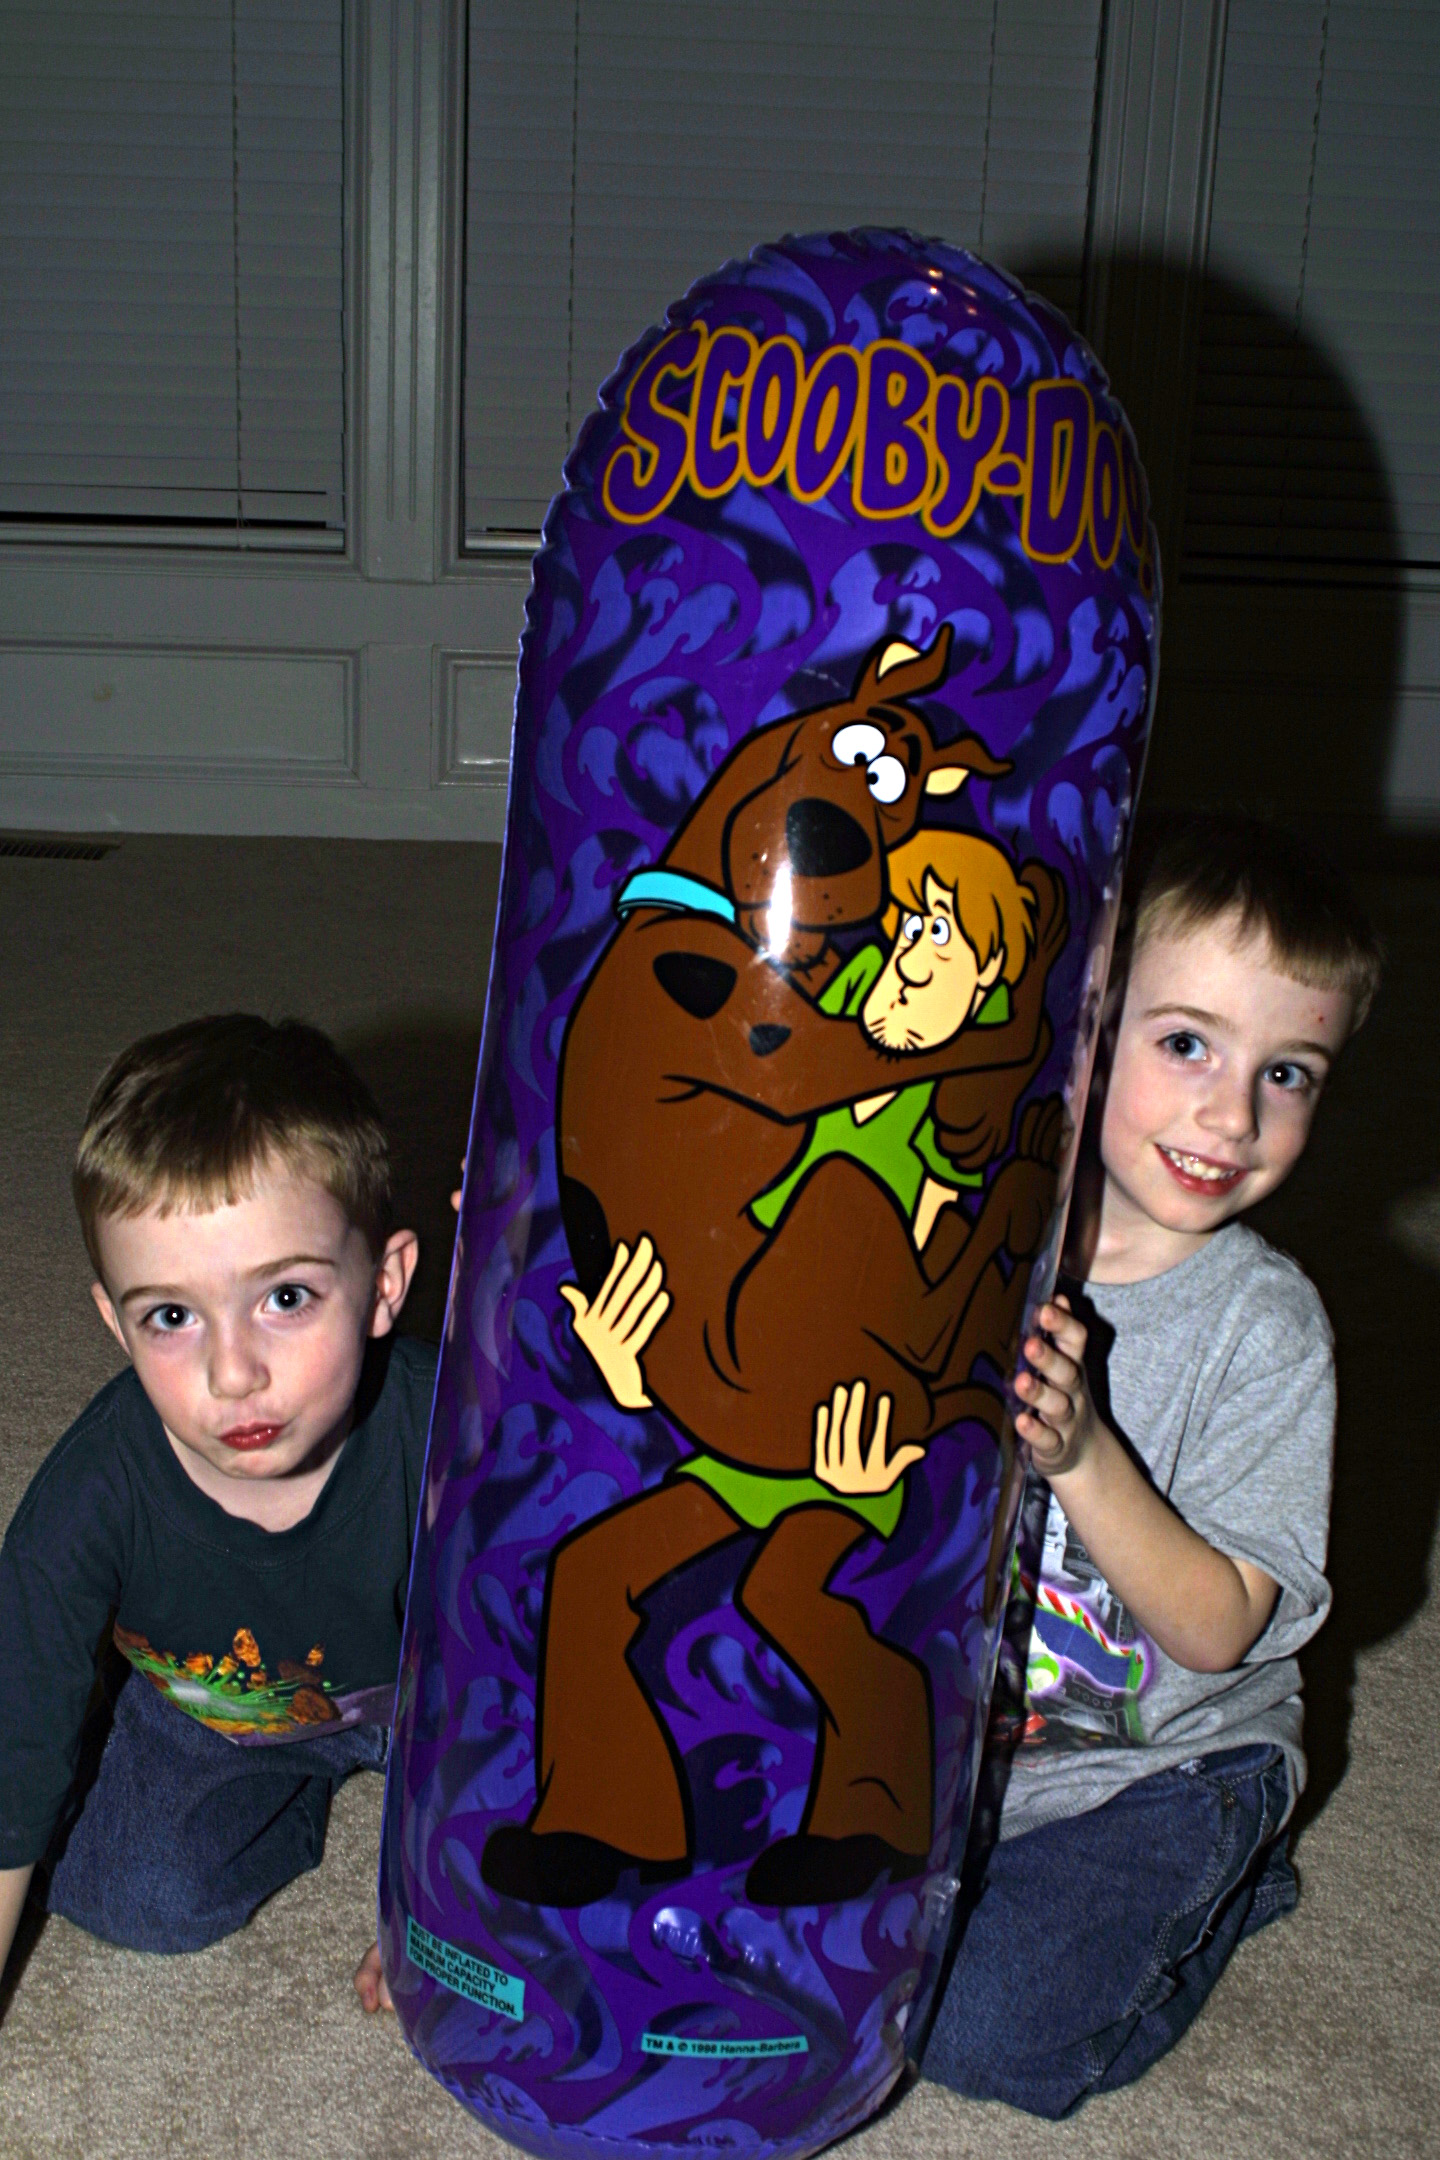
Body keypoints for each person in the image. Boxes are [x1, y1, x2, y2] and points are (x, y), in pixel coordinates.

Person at [916, 812, 1384, 2116]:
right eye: (1187, 1044)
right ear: (1082, 1026)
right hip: (967, 1747)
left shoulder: (1266, 1331)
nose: (1233, 1114)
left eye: (1288, 1072)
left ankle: (1232, 1881)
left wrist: (1083, 1455)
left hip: (1162, 1769)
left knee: (972, 2028)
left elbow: (1220, 1629)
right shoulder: (970, 1225)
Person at [0, 1015, 430, 2004]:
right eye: (171, 1316)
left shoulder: (454, 1429)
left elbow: (543, 1648)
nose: (233, 1373)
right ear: (115, 1325)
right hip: (226, 1713)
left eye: (285, 1298)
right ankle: (285, 1798)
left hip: (446, 1701)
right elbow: (11, 1758)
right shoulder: (97, 1490)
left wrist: (443, 1905)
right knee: (130, 1894)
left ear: (384, 1285)